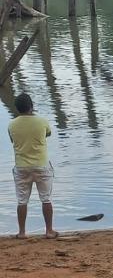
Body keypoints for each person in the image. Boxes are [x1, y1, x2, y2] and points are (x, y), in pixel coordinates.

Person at [8, 93, 57, 239]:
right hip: (41, 165)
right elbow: (47, 134)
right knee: (46, 199)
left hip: (21, 167)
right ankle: (49, 231)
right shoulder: (42, 121)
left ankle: (22, 232)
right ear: (32, 106)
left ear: (17, 109)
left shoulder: (12, 124)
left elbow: (12, 140)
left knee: (22, 200)